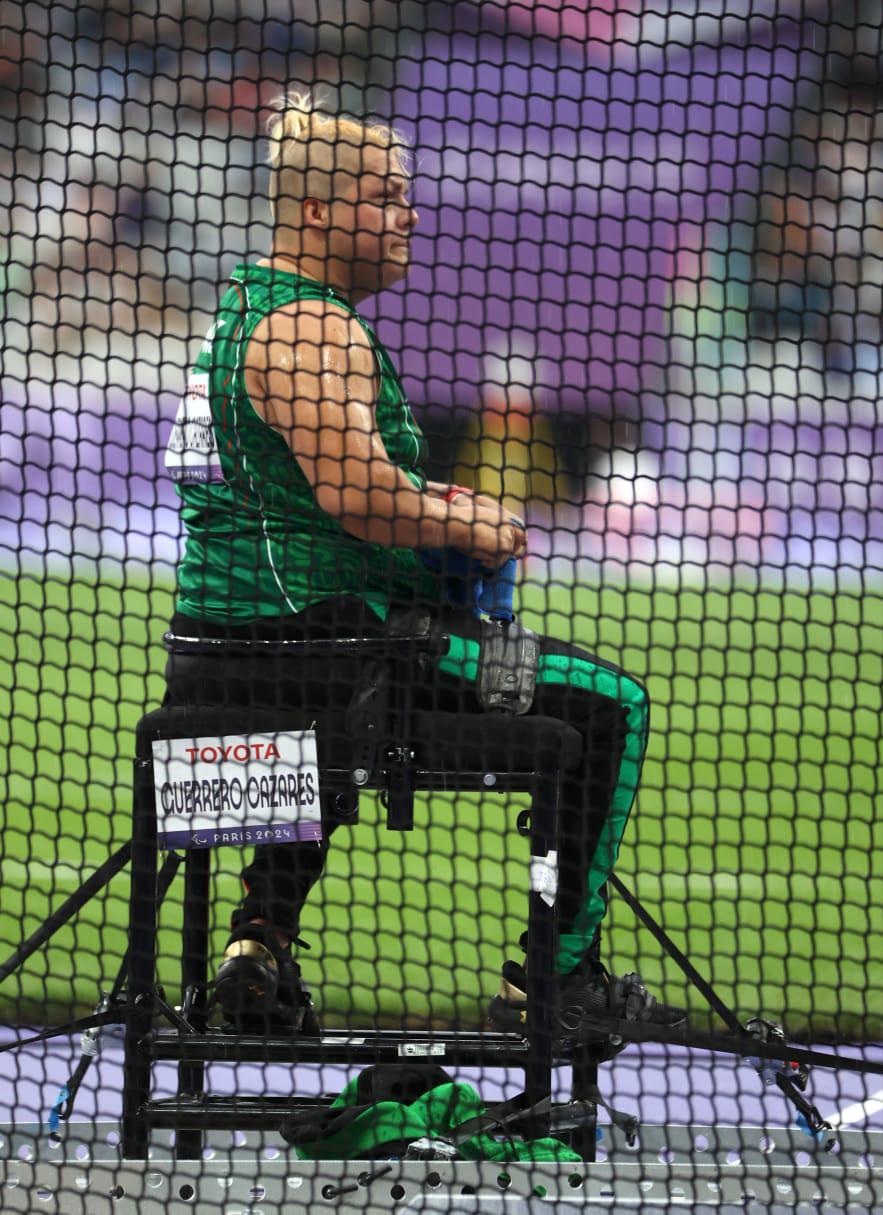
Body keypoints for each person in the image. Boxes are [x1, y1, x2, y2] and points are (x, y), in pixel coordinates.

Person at [163, 90, 684, 1054]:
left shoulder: (244, 309)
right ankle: (557, 979)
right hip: (315, 648)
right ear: (317, 213)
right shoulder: (311, 328)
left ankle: (261, 940)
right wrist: (470, 516)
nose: (410, 215)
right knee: (610, 704)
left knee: (361, 689)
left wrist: (436, 518)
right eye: (386, 195)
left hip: (222, 647)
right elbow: (357, 496)